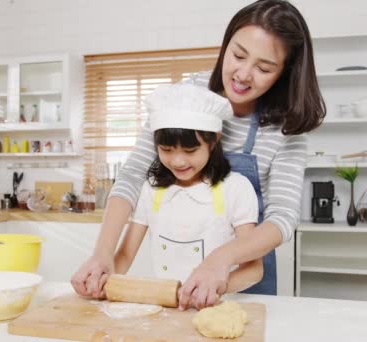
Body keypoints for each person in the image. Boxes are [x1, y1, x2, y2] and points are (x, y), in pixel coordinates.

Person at [71, 0, 325, 310]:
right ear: (226, 44)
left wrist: (222, 259)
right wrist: (103, 253)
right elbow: (133, 174)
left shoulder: (287, 127)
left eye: (263, 68)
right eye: (238, 55)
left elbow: (282, 218)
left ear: (285, 72)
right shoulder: (185, 96)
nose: (243, 74)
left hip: (244, 274)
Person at [113, 83, 264, 297]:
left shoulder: (236, 189)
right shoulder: (151, 190)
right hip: (167, 308)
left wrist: (210, 290)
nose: (178, 161)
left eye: (190, 150)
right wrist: (102, 276)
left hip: (217, 307)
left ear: (213, 142)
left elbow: (254, 269)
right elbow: (124, 257)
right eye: (166, 150)